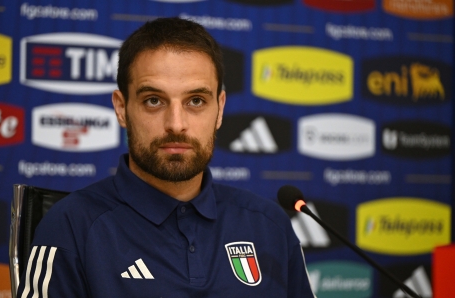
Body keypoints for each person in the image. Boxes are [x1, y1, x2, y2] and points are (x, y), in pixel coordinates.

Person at [17, 17, 315, 297]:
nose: (176, 123)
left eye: (196, 101)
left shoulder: (269, 225)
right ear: (122, 108)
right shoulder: (70, 227)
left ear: (220, 109)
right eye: (154, 101)